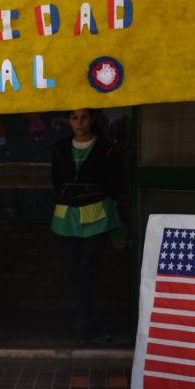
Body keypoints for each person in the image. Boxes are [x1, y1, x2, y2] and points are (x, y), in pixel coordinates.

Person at [51, 108, 123, 343]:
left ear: (92, 120)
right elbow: (56, 179)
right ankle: (83, 318)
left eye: (84, 117)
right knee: (74, 270)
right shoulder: (61, 147)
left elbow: (117, 183)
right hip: (66, 217)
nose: (79, 122)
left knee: (87, 268)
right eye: (74, 117)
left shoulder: (107, 148)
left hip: (98, 215)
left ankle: (83, 322)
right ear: (69, 121)